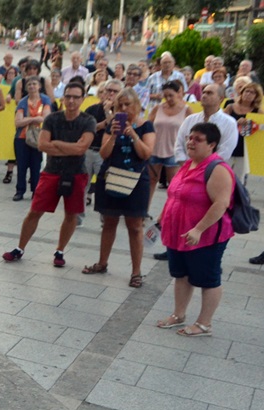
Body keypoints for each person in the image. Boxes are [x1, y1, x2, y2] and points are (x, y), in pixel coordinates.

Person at [154, 123, 235, 337]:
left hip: (205, 236)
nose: (191, 142)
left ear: (212, 144)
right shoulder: (188, 164)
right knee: (181, 275)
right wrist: (163, 216)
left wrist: (198, 229)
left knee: (208, 279)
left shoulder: (217, 169)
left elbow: (221, 203)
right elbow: (175, 194)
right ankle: (178, 314)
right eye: (190, 137)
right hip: (178, 233)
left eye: (198, 139)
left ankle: (204, 323)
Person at [3, 82, 96, 267]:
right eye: (68, 96)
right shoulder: (53, 118)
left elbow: (81, 148)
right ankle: (20, 248)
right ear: (63, 98)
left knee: (71, 215)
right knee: (35, 211)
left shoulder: (88, 121)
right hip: (52, 171)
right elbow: (43, 145)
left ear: (82, 99)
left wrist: (58, 144)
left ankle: (60, 251)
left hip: (77, 173)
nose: (71, 100)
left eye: (76, 97)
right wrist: (70, 147)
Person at [84, 88, 156, 288]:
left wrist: (133, 134)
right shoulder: (111, 127)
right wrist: (114, 136)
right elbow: (104, 154)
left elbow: (146, 154)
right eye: (119, 106)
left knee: (134, 226)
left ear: (136, 106)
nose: (123, 109)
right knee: (109, 222)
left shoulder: (146, 126)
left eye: (127, 105)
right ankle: (102, 262)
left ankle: (136, 272)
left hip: (135, 180)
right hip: (111, 177)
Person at [147, 80, 192, 209]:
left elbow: (192, 130)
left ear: (179, 93)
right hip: (155, 149)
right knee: (150, 181)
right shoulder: (158, 108)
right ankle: (144, 211)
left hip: (174, 151)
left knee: (173, 185)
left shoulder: (186, 110)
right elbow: (148, 125)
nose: (168, 99)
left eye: (171, 95)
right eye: (165, 96)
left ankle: (171, 212)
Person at [83, 80, 123, 207]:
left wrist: (108, 113)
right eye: (108, 90)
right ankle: (76, 218)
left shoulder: (122, 112)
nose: (111, 94)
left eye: (115, 91)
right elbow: (86, 128)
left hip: (106, 154)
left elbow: (117, 130)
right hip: (89, 150)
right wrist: (103, 123)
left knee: (105, 187)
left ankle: (104, 219)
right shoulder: (92, 109)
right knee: (82, 185)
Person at [12, 76, 52, 200]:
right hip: (21, 138)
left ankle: (36, 191)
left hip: (38, 138)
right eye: (29, 84)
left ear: (39, 86)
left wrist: (27, 119)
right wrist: (35, 119)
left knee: (36, 166)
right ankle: (20, 190)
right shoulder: (23, 102)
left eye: (34, 84)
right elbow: (18, 122)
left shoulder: (45, 100)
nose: (32, 86)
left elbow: (45, 118)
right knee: (21, 166)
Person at [222, 82, 262, 185]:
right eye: (246, 91)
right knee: (223, 173)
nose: (248, 94)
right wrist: (235, 123)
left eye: (252, 92)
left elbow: (261, 128)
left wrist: (253, 125)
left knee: (239, 177)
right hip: (229, 145)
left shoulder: (258, 112)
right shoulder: (230, 106)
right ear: (242, 92)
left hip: (245, 148)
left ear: (256, 97)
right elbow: (221, 123)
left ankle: (237, 198)